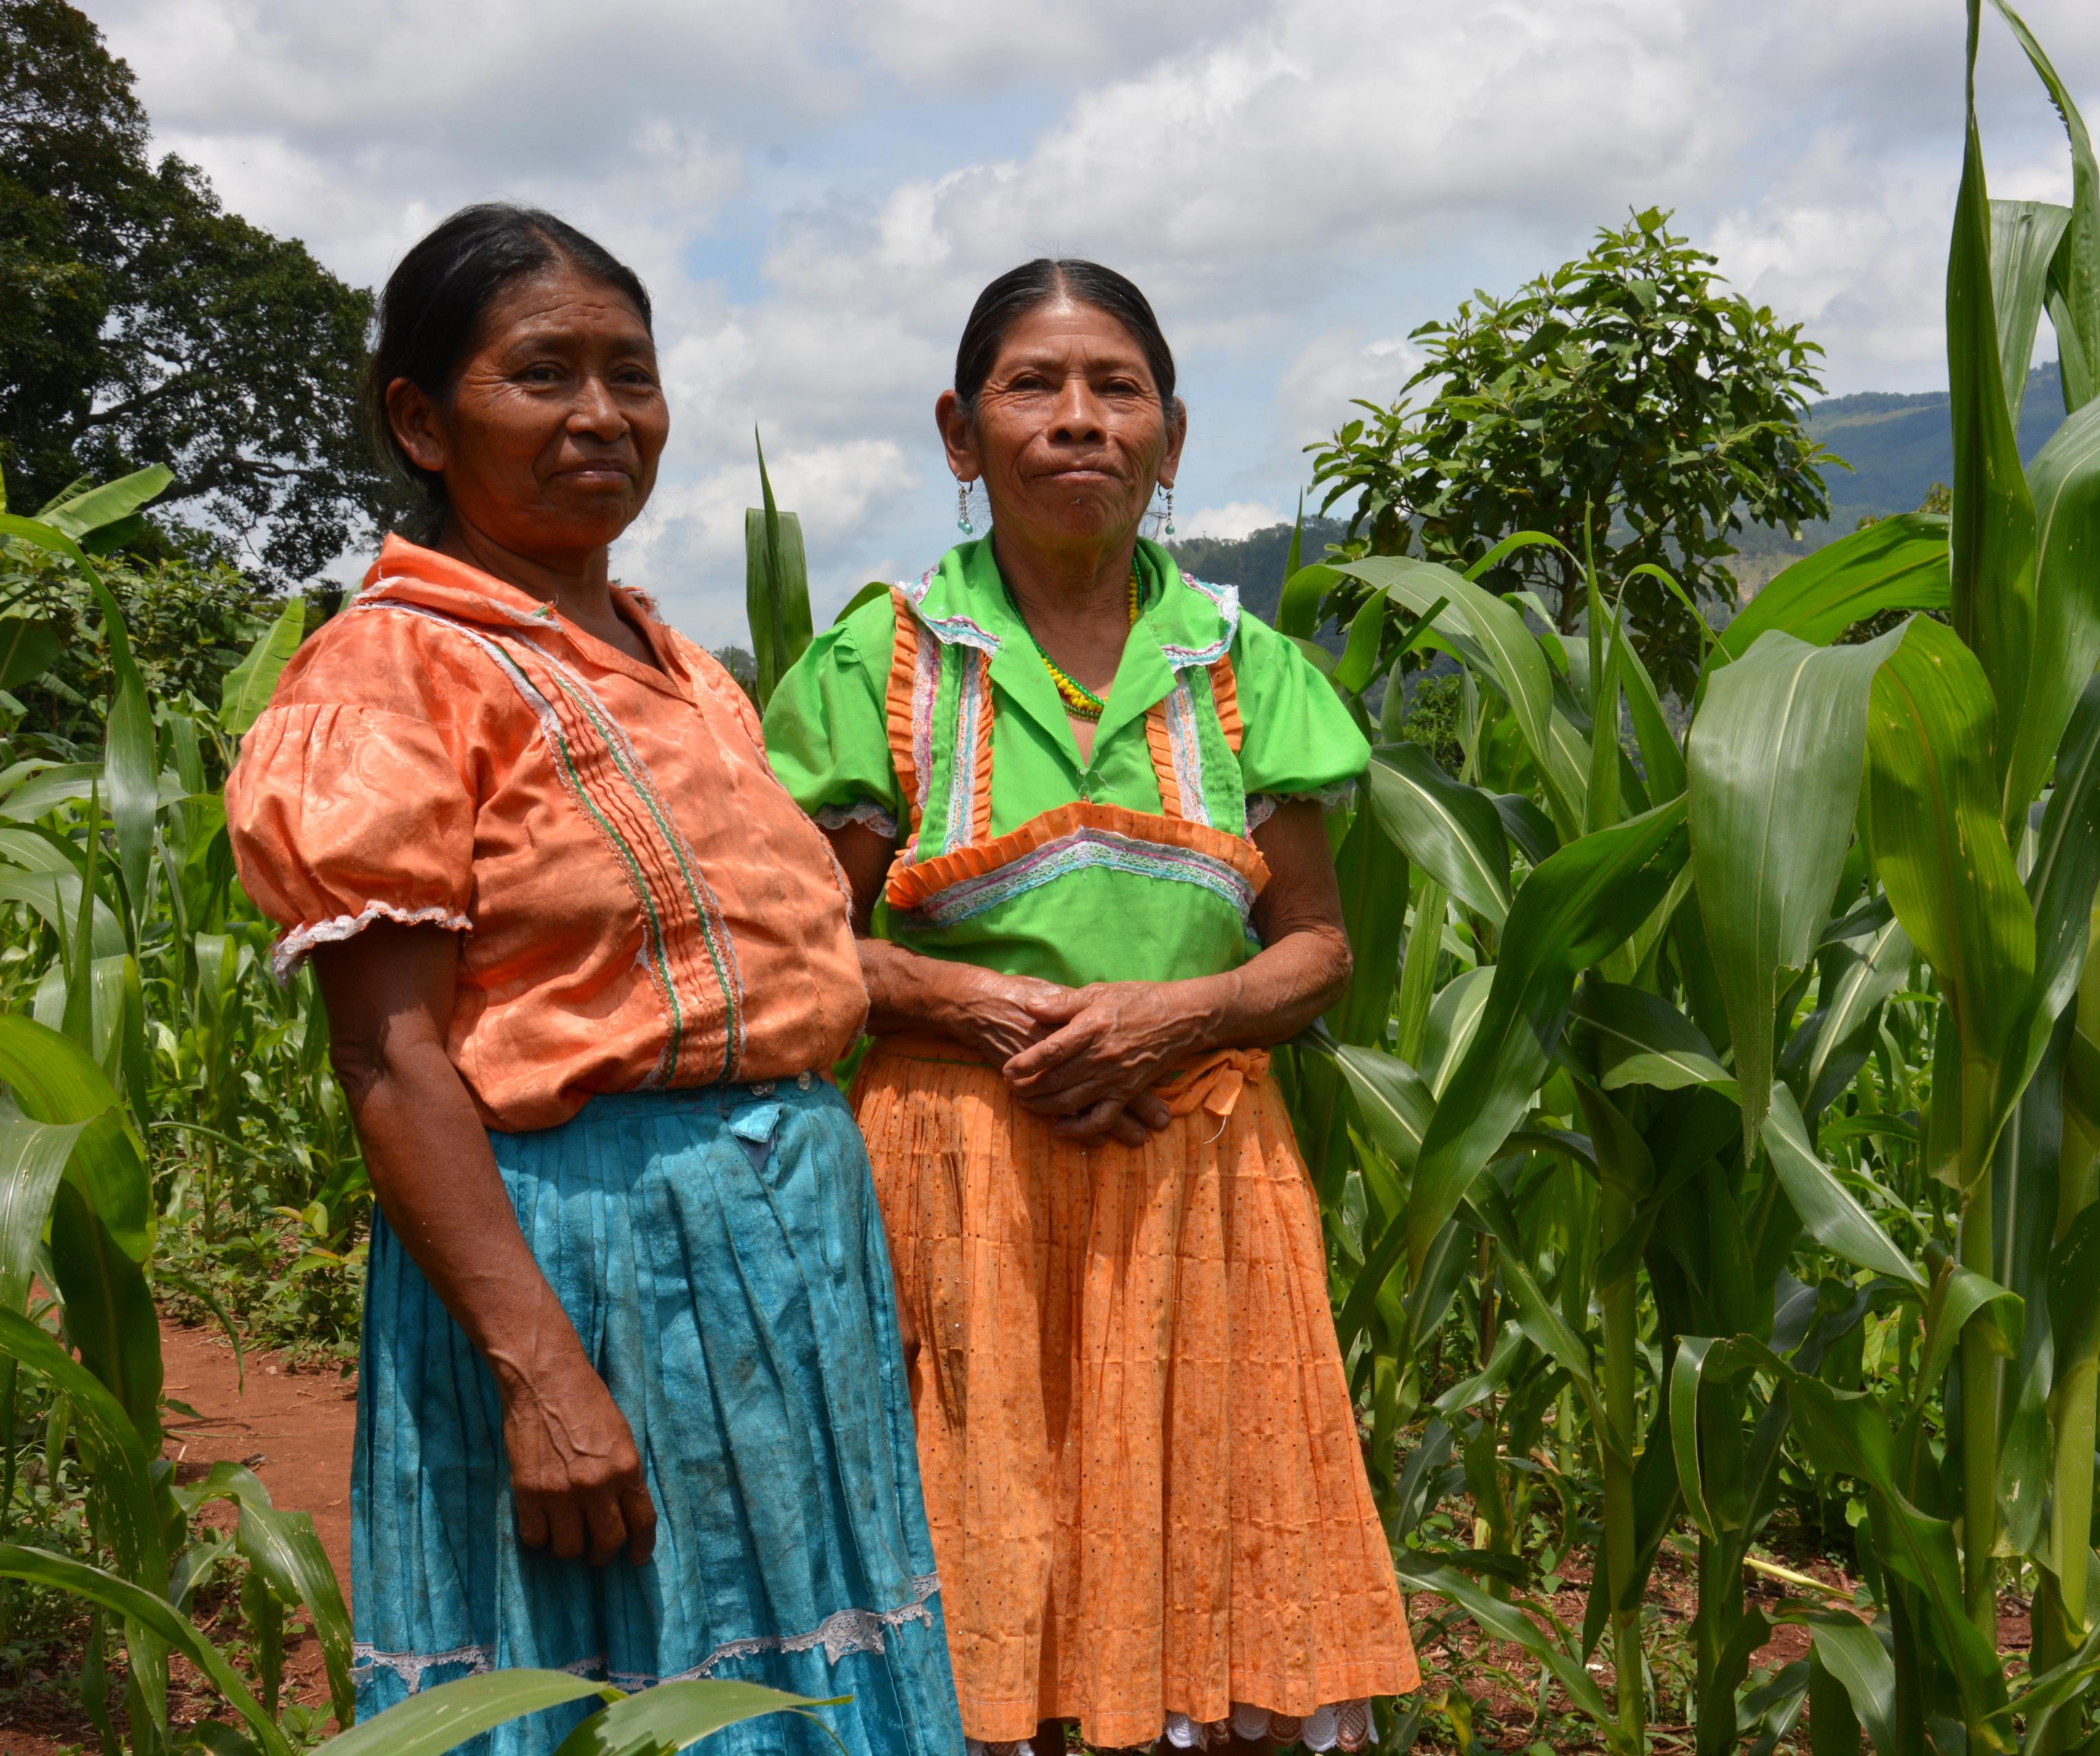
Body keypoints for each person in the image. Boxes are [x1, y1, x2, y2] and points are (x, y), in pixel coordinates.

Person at [224, 203, 964, 1756]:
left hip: (782, 1240)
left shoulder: (677, 659)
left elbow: (775, 970)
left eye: (631, 373)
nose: (601, 417)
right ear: (419, 421)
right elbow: (393, 1060)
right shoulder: (391, 672)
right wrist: (542, 1368)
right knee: (620, 1678)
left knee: (800, 1657)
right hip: (585, 1256)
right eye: (541, 375)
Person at [764, 259, 1418, 1756]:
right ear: (959, 431)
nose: (1079, 421)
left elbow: (1313, 947)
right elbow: (800, 940)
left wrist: (1175, 1019)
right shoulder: (886, 659)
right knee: (980, 1559)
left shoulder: (1247, 669)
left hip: (1198, 1174)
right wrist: (999, 1009)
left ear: (1170, 436)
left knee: (1209, 1553)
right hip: (955, 1183)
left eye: (1116, 388)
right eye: (1033, 386)